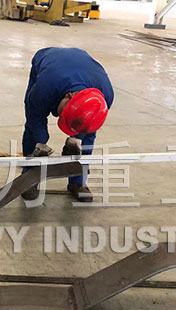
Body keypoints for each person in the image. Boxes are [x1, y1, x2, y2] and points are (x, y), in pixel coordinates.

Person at [21, 47, 114, 202]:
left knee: (87, 136)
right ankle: (29, 179)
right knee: (33, 132)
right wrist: (40, 142)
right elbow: (35, 118)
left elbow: (87, 125)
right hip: (48, 62)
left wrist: (76, 139)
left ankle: (77, 181)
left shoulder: (104, 97)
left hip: (82, 68)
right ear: (68, 96)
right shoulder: (44, 89)